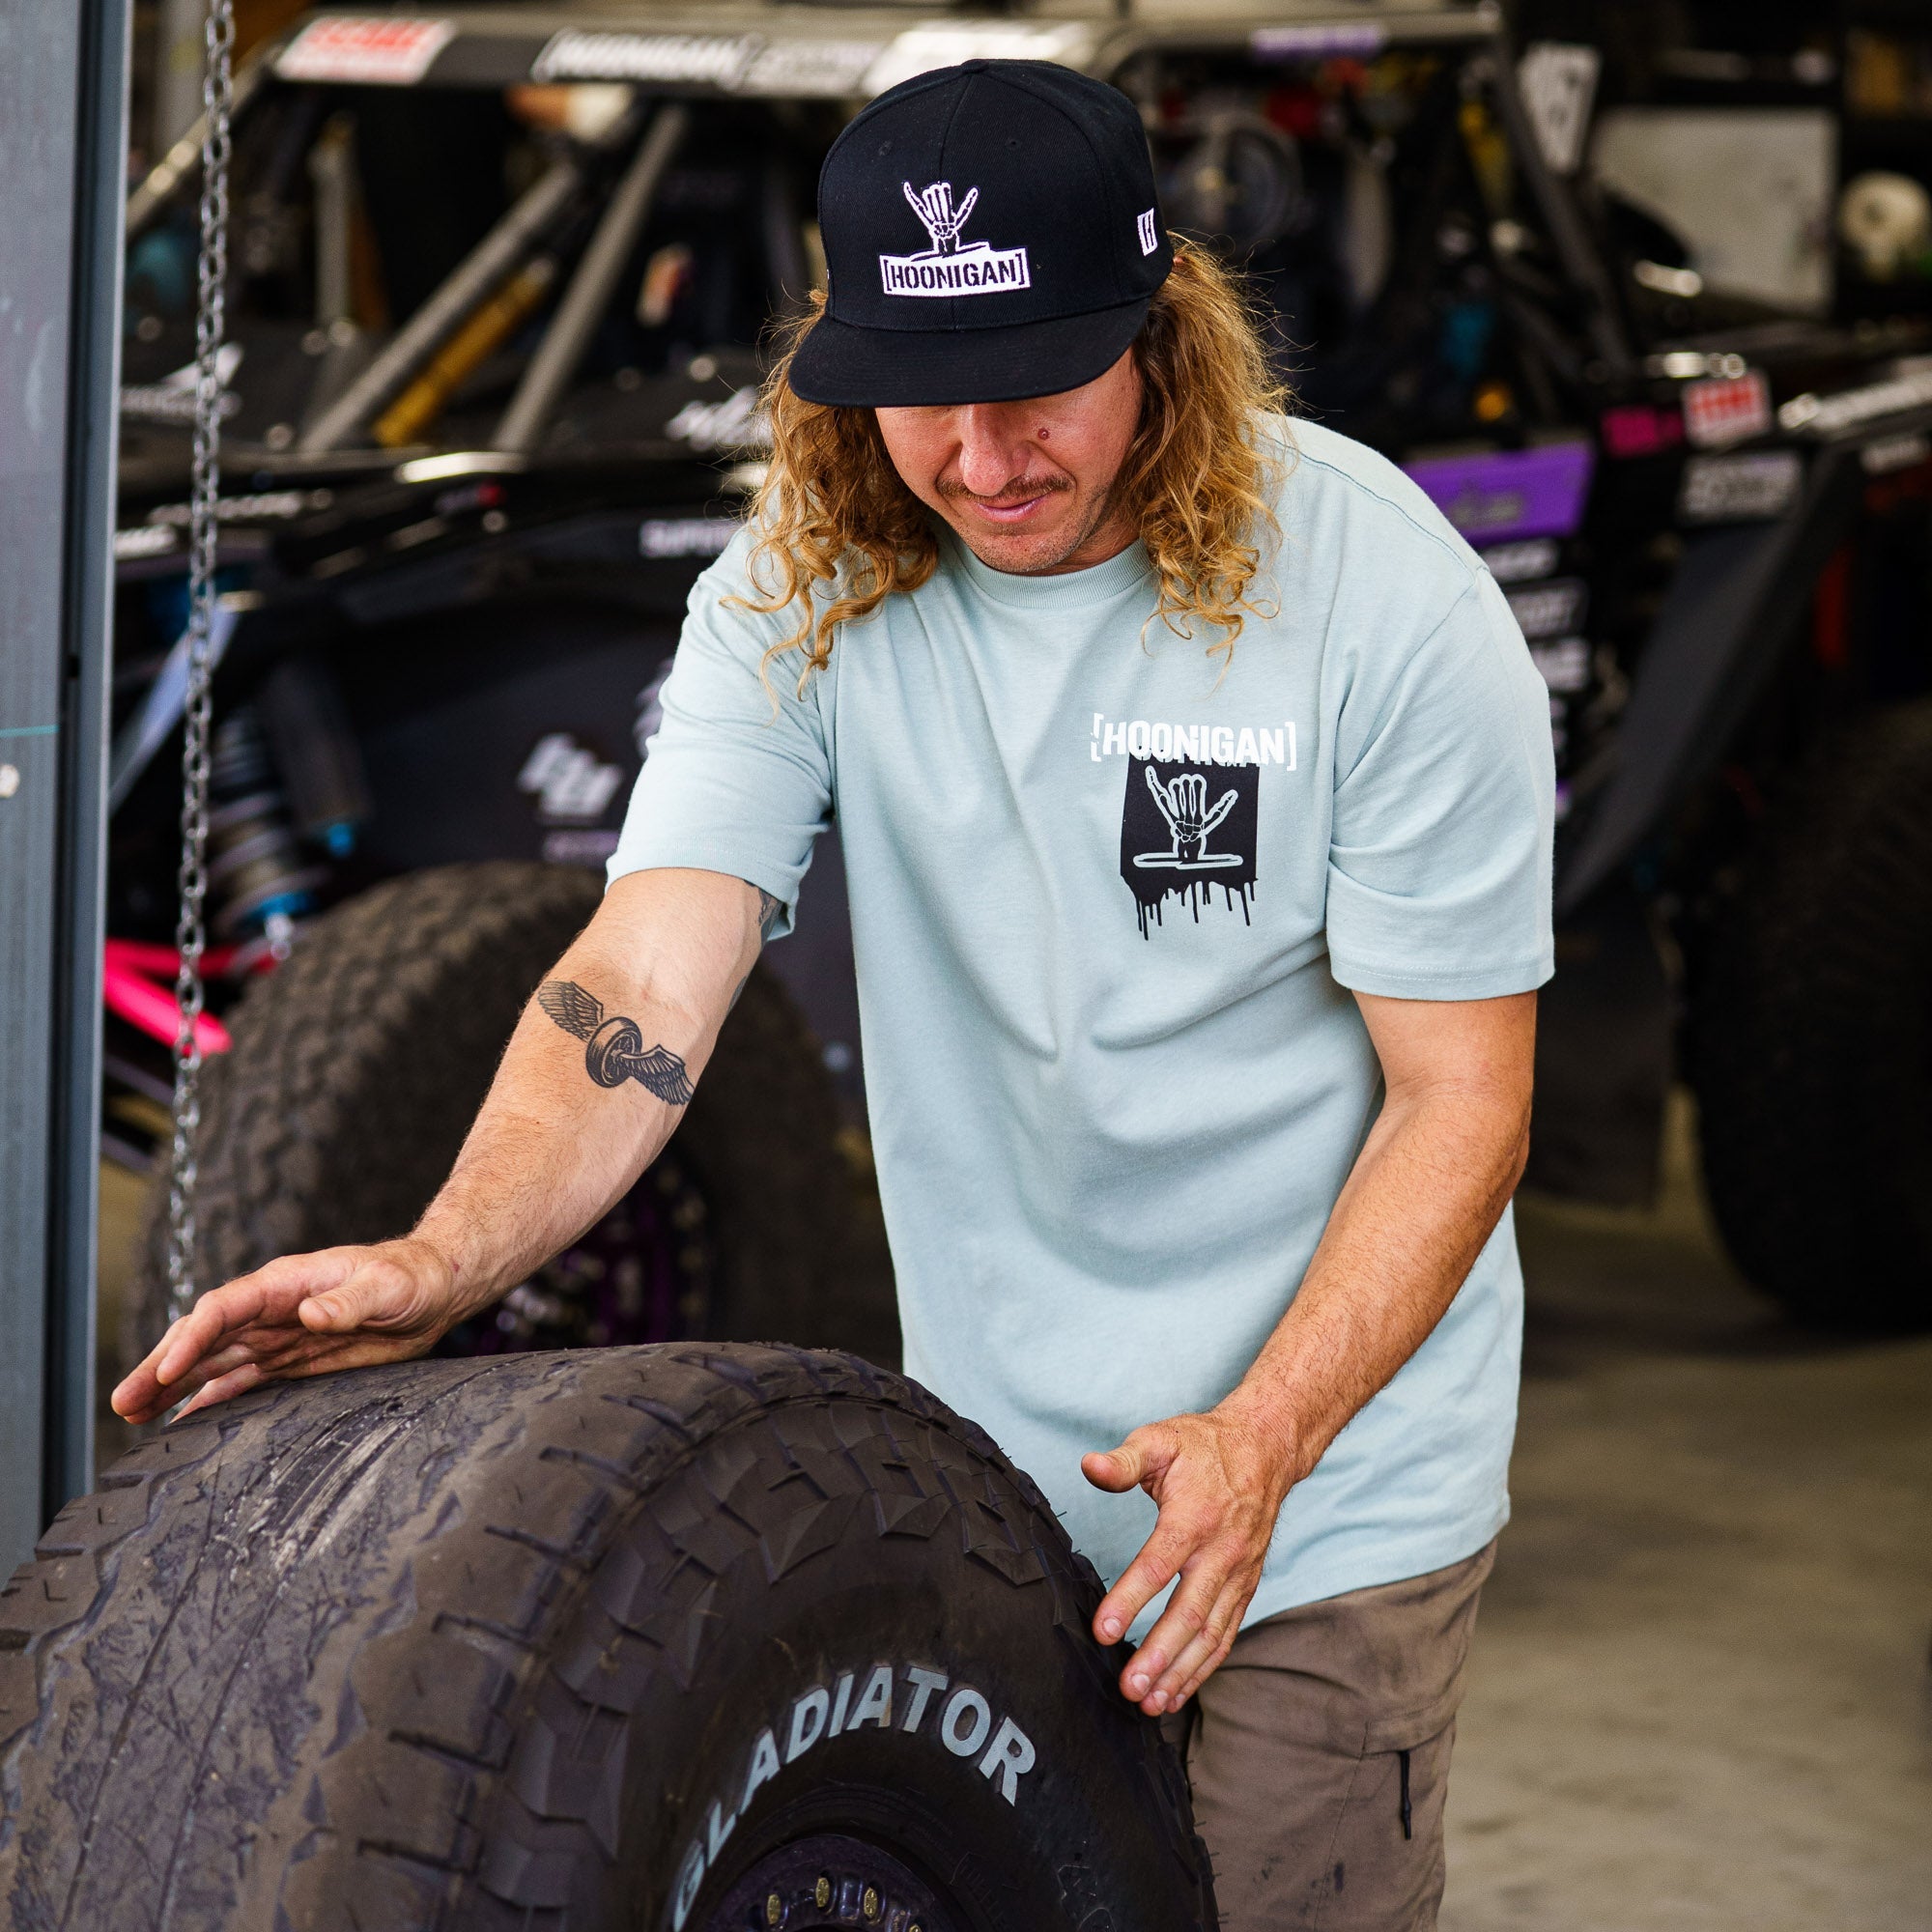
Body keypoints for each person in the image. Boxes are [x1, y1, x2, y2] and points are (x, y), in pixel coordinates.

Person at [116, 59, 1553, 1931]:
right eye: (915, 400)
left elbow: (1465, 1100)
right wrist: (443, 1255)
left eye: (1036, 381)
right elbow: (644, 971)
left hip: (1330, 1496)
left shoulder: (1376, 602)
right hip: (995, 1481)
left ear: (1157, 329)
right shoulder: (809, 581)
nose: (979, 457)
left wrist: (1264, 1438)